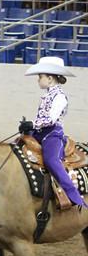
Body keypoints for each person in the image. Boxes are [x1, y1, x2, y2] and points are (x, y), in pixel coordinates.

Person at [19, 57, 87, 208]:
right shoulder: (47, 95)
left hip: (53, 134)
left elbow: (50, 119)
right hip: (39, 132)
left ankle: (74, 196)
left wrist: (33, 123)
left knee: (51, 160)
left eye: (40, 77)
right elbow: (41, 119)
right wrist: (28, 127)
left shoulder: (60, 97)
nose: (38, 80)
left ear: (50, 78)